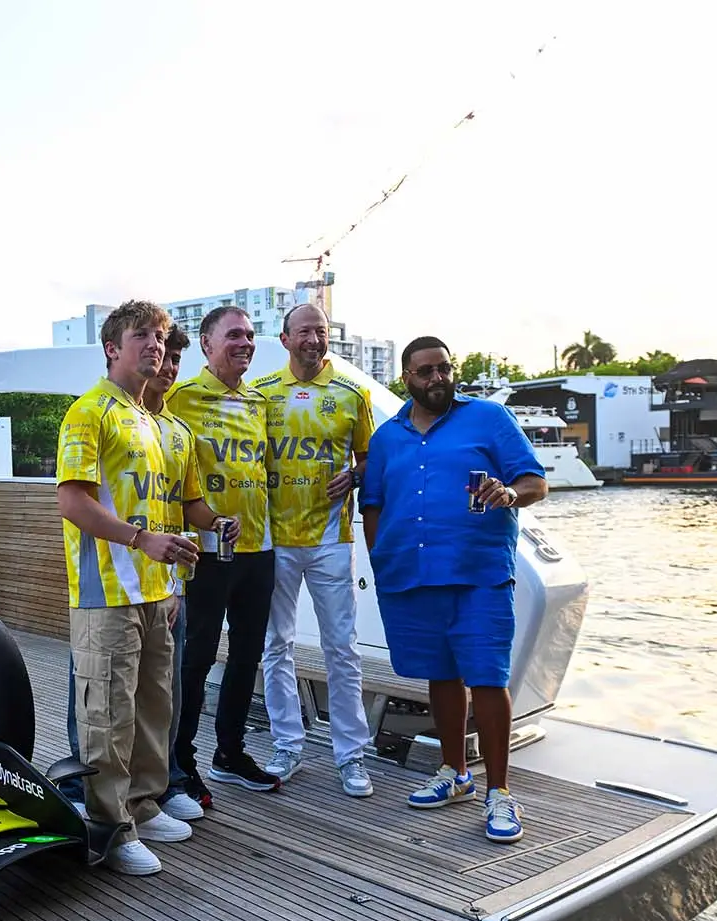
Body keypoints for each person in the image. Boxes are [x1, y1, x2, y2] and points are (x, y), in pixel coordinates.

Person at [359, 337, 548, 843]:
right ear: (407, 379)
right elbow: (372, 504)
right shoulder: (386, 438)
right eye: (426, 372)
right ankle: (455, 773)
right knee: (439, 675)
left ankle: (500, 793)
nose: (438, 379)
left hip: (479, 572)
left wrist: (509, 493)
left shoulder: (488, 418)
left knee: (487, 677)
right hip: (414, 574)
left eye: (444, 369)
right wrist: (380, 558)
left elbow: (535, 482)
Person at [56, 300, 201, 876]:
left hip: (155, 590)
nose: (156, 346)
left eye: (161, 337)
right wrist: (142, 542)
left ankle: (143, 803)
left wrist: (173, 571)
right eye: (142, 335)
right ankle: (111, 826)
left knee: (151, 708)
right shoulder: (89, 412)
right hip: (105, 593)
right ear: (112, 347)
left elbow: (169, 506)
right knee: (107, 715)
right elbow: (72, 501)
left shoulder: (155, 423)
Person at [253, 304, 376, 796]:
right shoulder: (260, 395)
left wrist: (356, 475)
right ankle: (288, 745)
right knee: (275, 645)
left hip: (331, 539)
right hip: (274, 538)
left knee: (341, 649)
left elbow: (368, 460)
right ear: (284, 339)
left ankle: (352, 756)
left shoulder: (354, 394)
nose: (313, 339)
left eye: (321, 331)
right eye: (304, 331)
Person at [164, 306, 279, 799]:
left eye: (251, 336)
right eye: (234, 335)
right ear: (207, 345)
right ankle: (180, 759)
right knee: (198, 657)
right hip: (206, 550)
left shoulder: (259, 401)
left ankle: (229, 752)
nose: (245, 343)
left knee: (247, 655)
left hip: (259, 547)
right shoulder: (180, 397)